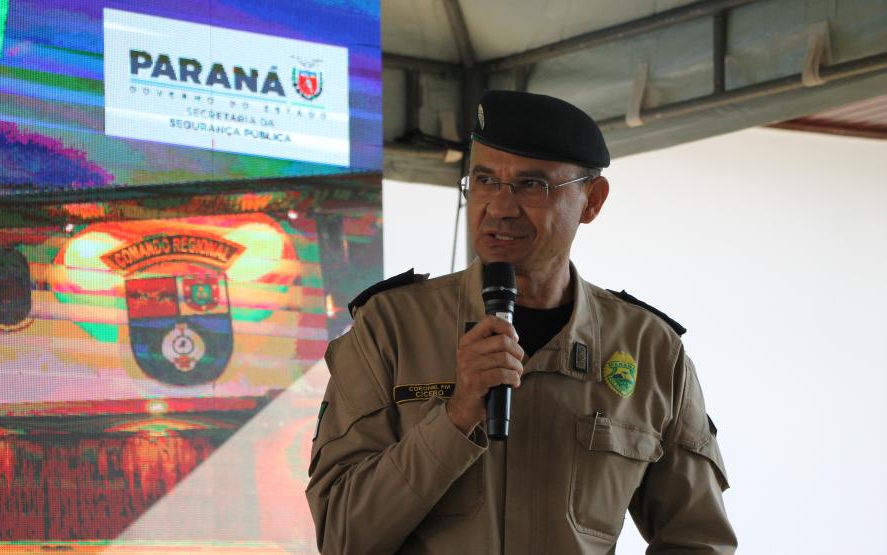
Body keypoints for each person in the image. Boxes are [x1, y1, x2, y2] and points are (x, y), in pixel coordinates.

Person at [306, 90, 736, 554]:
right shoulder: (391, 328)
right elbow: (341, 536)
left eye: (532, 185)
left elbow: (697, 540)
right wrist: (456, 416)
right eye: (485, 179)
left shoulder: (650, 350)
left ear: (592, 200)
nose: (500, 206)